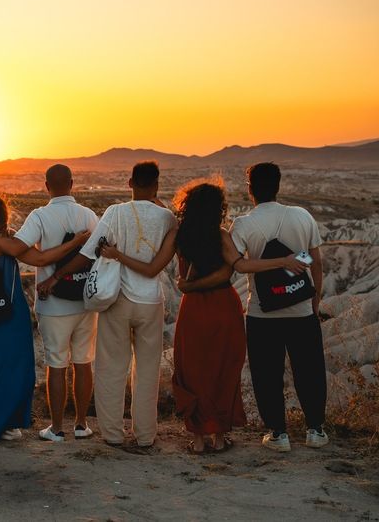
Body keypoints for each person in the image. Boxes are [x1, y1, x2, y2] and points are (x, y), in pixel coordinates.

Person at [102, 179, 306, 453]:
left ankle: (198, 440)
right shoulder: (221, 235)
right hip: (224, 307)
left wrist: (120, 256)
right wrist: (283, 261)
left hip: (194, 309)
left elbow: (153, 268)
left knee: (194, 372)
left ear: (189, 206)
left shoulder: (178, 234)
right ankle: (219, 438)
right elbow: (233, 270)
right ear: (217, 209)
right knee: (222, 370)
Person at [42, 161, 175, 449]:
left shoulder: (115, 213)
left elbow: (87, 255)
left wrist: (57, 277)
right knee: (148, 371)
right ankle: (145, 435)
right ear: (156, 185)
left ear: (129, 183)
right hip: (151, 302)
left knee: (112, 368)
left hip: (118, 300)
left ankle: (113, 433)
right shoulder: (167, 218)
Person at [0, 164, 98, 442]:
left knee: (56, 365)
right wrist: (78, 242)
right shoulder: (88, 215)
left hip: (54, 306)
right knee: (83, 362)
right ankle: (83, 425)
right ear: (72, 183)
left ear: (46, 186)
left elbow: (21, 251)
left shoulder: (39, 216)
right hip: (85, 302)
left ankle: (57, 429)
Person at [229, 162, 327, 452]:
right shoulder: (302, 216)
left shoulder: (243, 224)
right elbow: (315, 261)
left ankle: (278, 434)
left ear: (250, 190)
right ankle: (316, 431)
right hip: (301, 310)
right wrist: (316, 296)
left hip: (262, 313)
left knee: (267, 373)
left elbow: (238, 265)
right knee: (309, 370)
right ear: (278, 186)